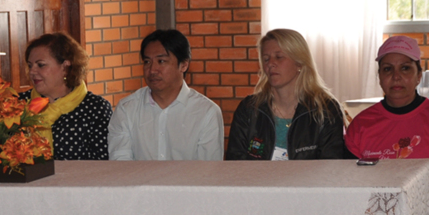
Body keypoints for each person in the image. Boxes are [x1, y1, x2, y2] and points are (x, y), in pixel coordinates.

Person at [345, 35, 429, 213]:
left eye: (405, 68)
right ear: (379, 77)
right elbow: (351, 180)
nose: (396, 76)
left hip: (428, 213)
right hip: (373, 214)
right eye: (387, 69)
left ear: (419, 76)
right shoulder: (362, 123)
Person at [225, 29, 344, 160]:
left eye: (279, 57)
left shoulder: (326, 110)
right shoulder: (249, 109)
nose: (270, 64)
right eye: (266, 59)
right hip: (256, 180)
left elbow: (331, 168)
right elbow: (234, 166)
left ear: (299, 62)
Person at [108, 29, 222, 161]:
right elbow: (121, 166)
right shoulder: (127, 109)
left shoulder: (206, 112)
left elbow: (208, 172)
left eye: (161, 61)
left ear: (184, 65)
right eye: (147, 62)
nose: (152, 70)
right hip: (139, 182)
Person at [21, 32, 111, 160]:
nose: (32, 72)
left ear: (65, 66)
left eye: (40, 65)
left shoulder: (95, 108)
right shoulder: (18, 104)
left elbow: (102, 162)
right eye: (30, 65)